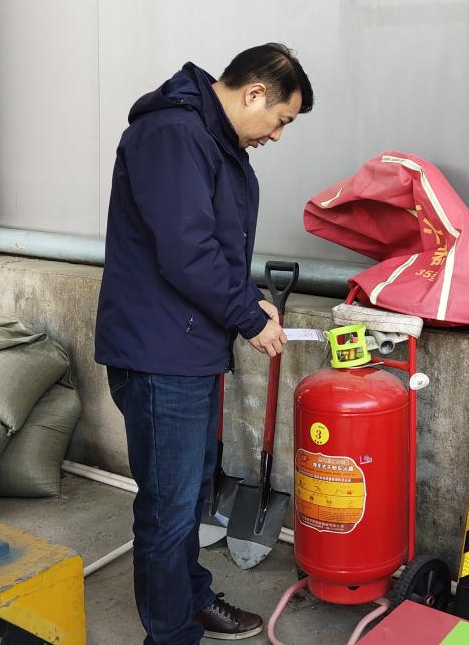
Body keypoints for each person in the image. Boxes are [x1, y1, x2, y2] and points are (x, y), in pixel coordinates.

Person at [95, 43, 313, 644]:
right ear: (254, 93)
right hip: (159, 355)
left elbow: (210, 243)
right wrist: (246, 315)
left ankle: (189, 600)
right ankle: (170, 634)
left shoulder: (212, 140)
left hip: (186, 348)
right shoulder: (172, 134)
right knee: (167, 509)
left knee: (187, 497)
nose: (277, 135)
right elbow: (186, 251)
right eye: (280, 119)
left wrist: (249, 299)